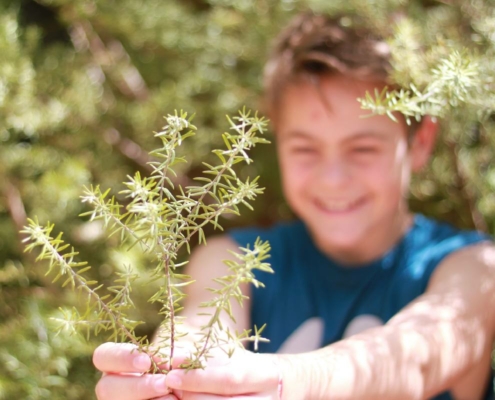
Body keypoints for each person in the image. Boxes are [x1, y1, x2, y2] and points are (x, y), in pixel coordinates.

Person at [92, 12, 495, 400]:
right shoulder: (233, 258)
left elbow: (418, 358)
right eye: (305, 148)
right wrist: (171, 377)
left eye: (363, 148)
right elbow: (201, 328)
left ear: (420, 143)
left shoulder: (474, 268)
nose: (333, 178)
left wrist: (285, 381)